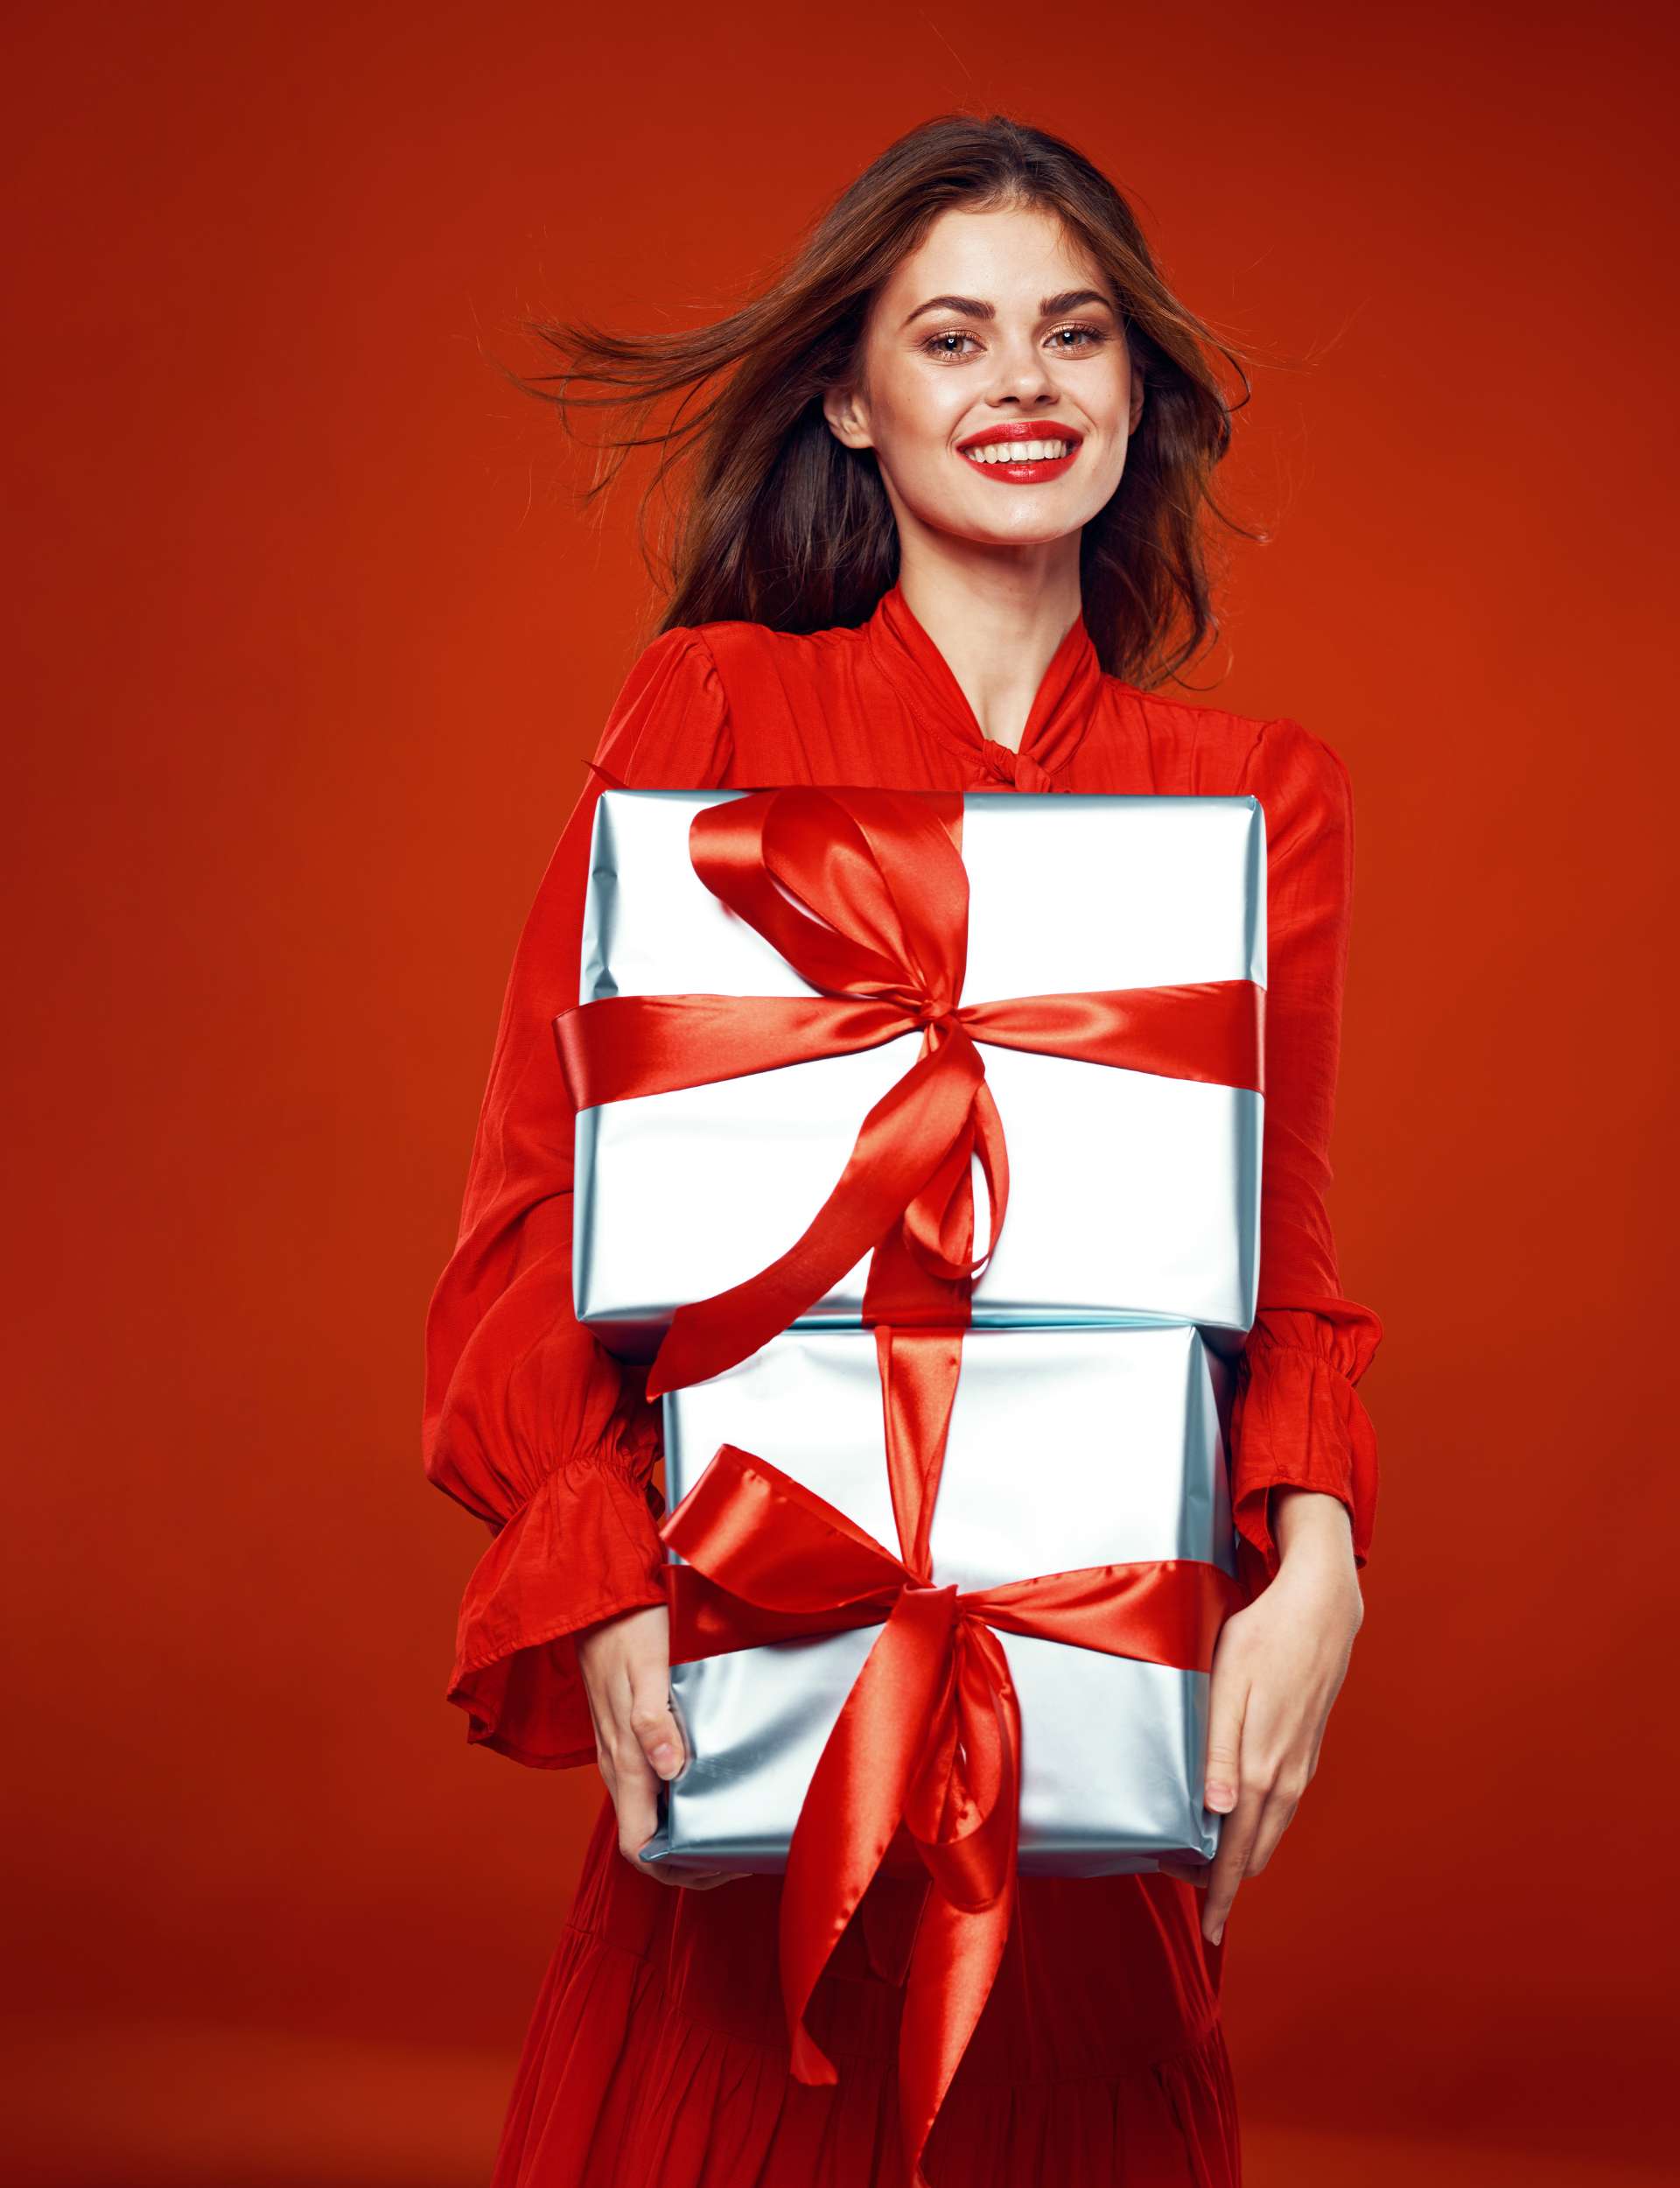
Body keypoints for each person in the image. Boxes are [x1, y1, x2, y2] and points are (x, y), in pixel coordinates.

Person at [422, 113, 1382, 2188]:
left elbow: (1275, 1264)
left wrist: (1318, 1560)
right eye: (953, 339)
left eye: (1076, 335)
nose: (1023, 385)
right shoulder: (709, 711)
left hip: (1090, 1731)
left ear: (1138, 388)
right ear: (853, 399)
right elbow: (529, 1224)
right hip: (750, 1699)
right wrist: (600, 1577)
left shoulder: (1254, 797)